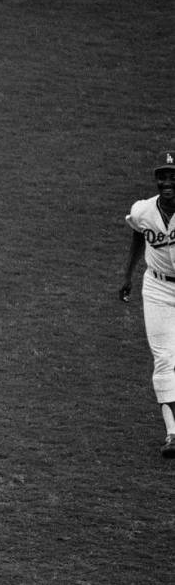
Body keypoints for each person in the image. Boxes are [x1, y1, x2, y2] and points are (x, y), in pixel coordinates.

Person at [120, 149, 175, 458]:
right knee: (165, 359)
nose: (167, 181)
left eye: (172, 176)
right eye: (162, 176)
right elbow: (138, 234)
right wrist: (128, 275)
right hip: (157, 288)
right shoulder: (143, 210)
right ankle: (172, 433)